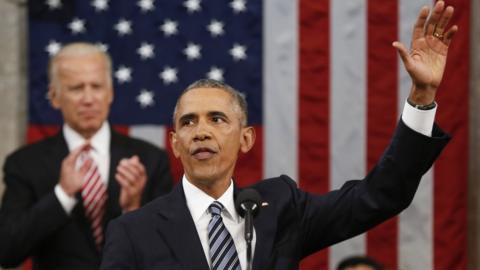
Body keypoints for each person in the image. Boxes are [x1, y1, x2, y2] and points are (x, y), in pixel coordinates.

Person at [100, 1, 457, 270]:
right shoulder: (134, 232)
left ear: (246, 139)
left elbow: (378, 196)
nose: (201, 132)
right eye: (189, 122)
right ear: (175, 144)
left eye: (217, 119)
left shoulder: (280, 208)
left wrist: (422, 97)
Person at [0, 42, 173, 270]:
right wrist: (62, 195)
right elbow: (7, 252)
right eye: (76, 88)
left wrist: (133, 210)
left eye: (97, 86)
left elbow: (169, 253)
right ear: (54, 96)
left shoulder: (150, 160)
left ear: (110, 93)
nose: (88, 98)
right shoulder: (25, 164)